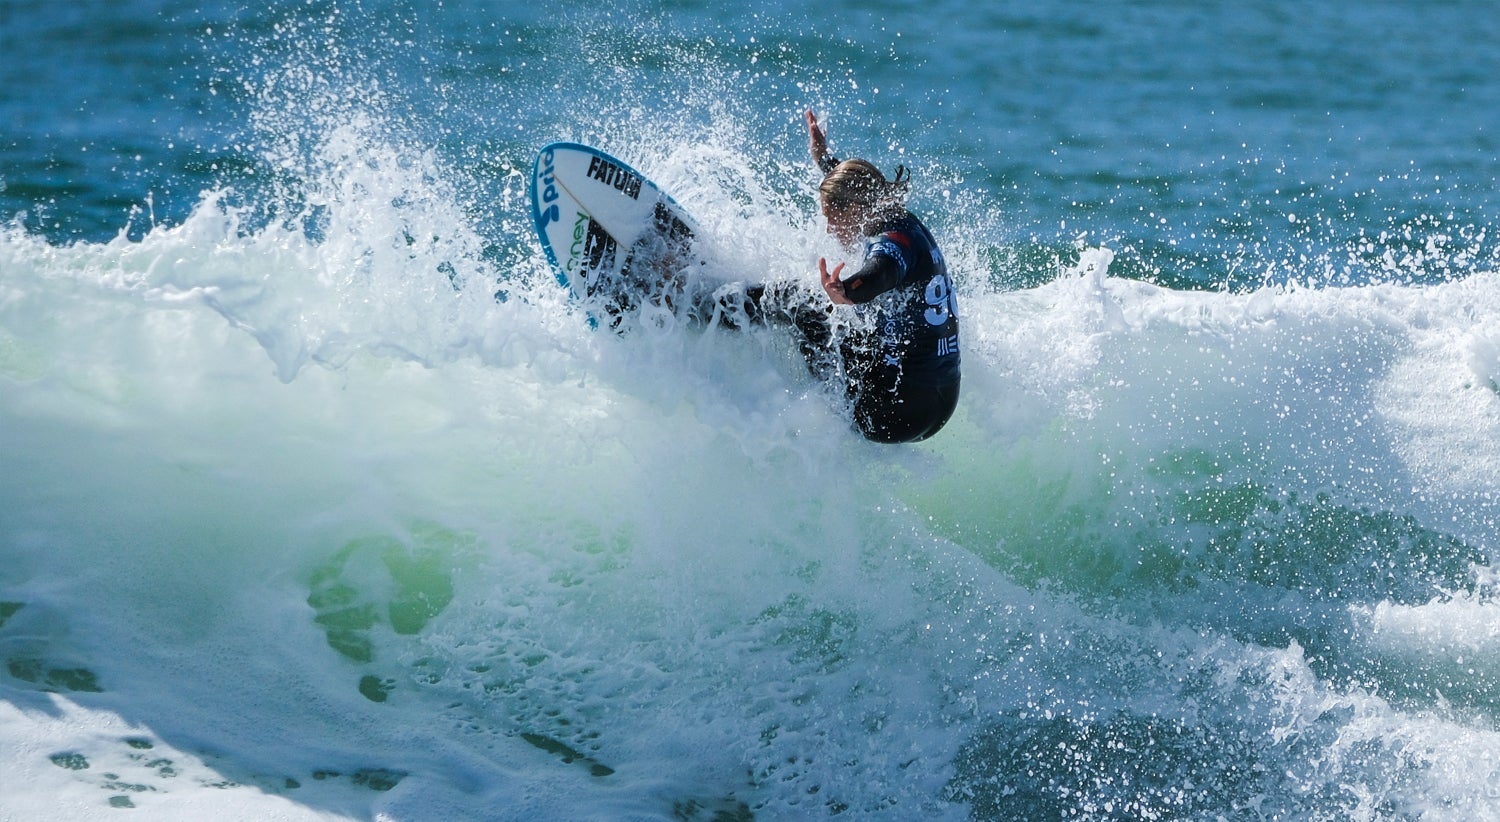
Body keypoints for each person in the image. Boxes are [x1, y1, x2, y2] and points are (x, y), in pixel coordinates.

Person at [734, 111, 961, 443]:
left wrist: (848, 290)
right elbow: (854, 189)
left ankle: (704, 307)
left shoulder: (892, 241)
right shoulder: (896, 217)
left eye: (831, 216)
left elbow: (881, 271)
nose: (829, 228)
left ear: (854, 210)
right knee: (848, 319)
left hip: (893, 413)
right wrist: (824, 159)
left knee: (797, 299)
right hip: (938, 402)